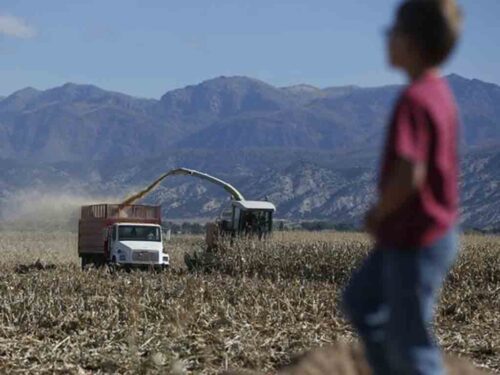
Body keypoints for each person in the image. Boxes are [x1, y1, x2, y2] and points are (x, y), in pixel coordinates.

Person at [341, 1, 463, 374]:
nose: (386, 40)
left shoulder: (415, 99)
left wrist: (379, 212)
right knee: (361, 299)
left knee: (412, 343)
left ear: (409, 42)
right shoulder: (439, 94)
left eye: (390, 32)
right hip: (411, 236)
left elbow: (410, 172)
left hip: (417, 238)